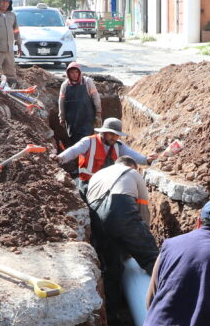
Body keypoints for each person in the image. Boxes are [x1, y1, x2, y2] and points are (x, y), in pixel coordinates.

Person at [87, 155, 159, 295]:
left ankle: (113, 312)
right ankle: (170, 298)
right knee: (152, 259)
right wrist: (142, 236)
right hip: (121, 208)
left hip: (95, 216)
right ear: (132, 166)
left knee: (112, 266)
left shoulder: (97, 174)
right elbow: (143, 208)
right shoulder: (132, 172)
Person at [57, 118, 151, 192]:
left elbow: (133, 154)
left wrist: (146, 160)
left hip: (108, 184)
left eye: (117, 135)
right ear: (103, 132)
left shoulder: (119, 146)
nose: (114, 138)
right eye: (111, 134)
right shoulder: (89, 142)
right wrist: (61, 158)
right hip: (88, 184)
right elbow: (73, 151)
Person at [58, 62, 101, 144]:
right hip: (72, 121)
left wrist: (98, 113)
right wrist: (62, 118)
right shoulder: (65, 85)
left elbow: (96, 98)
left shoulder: (87, 82)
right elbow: (61, 102)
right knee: (74, 142)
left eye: (76, 72)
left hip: (86, 120)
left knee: (87, 141)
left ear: (80, 72)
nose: (74, 74)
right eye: (71, 72)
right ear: (68, 73)